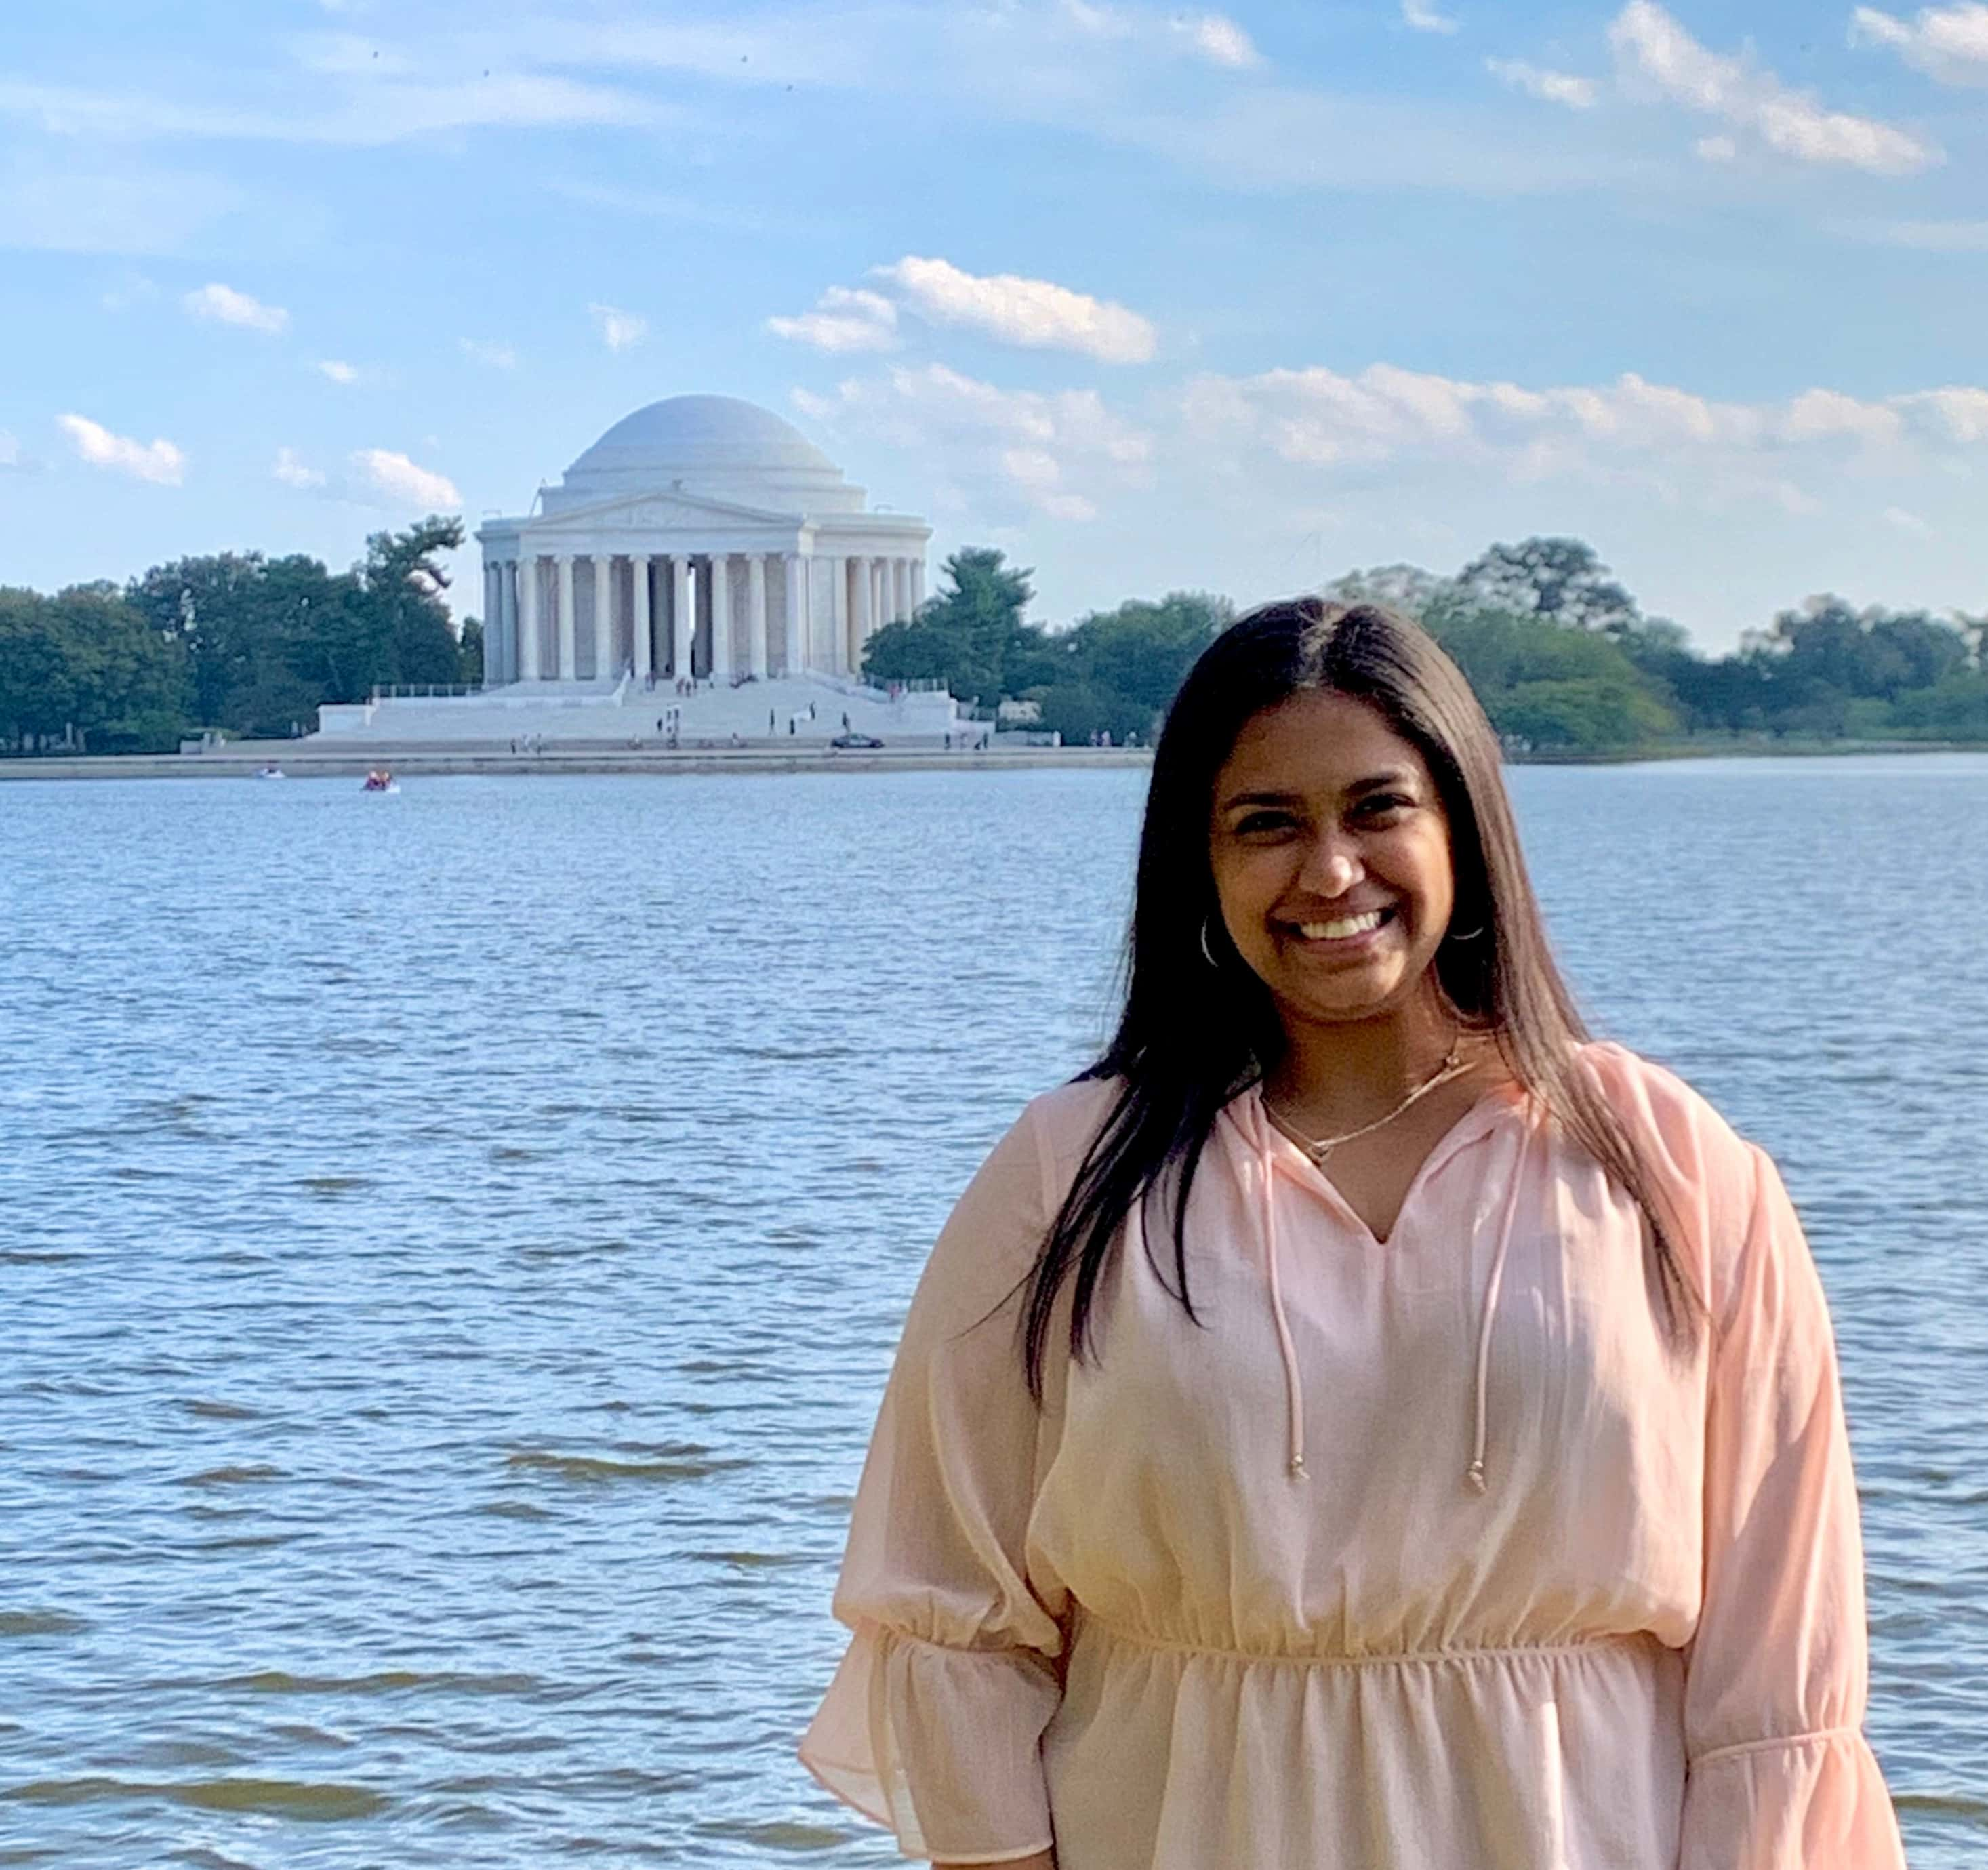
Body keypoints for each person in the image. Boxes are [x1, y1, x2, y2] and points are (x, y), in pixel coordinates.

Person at [798, 598, 1905, 1870]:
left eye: (1379, 808)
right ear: (1196, 864)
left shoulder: (1669, 1169)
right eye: (1267, 823)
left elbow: (1781, 1686)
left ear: (1465, 830)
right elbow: (955, 1616)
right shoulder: (1071, 1174)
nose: (1330, 872)